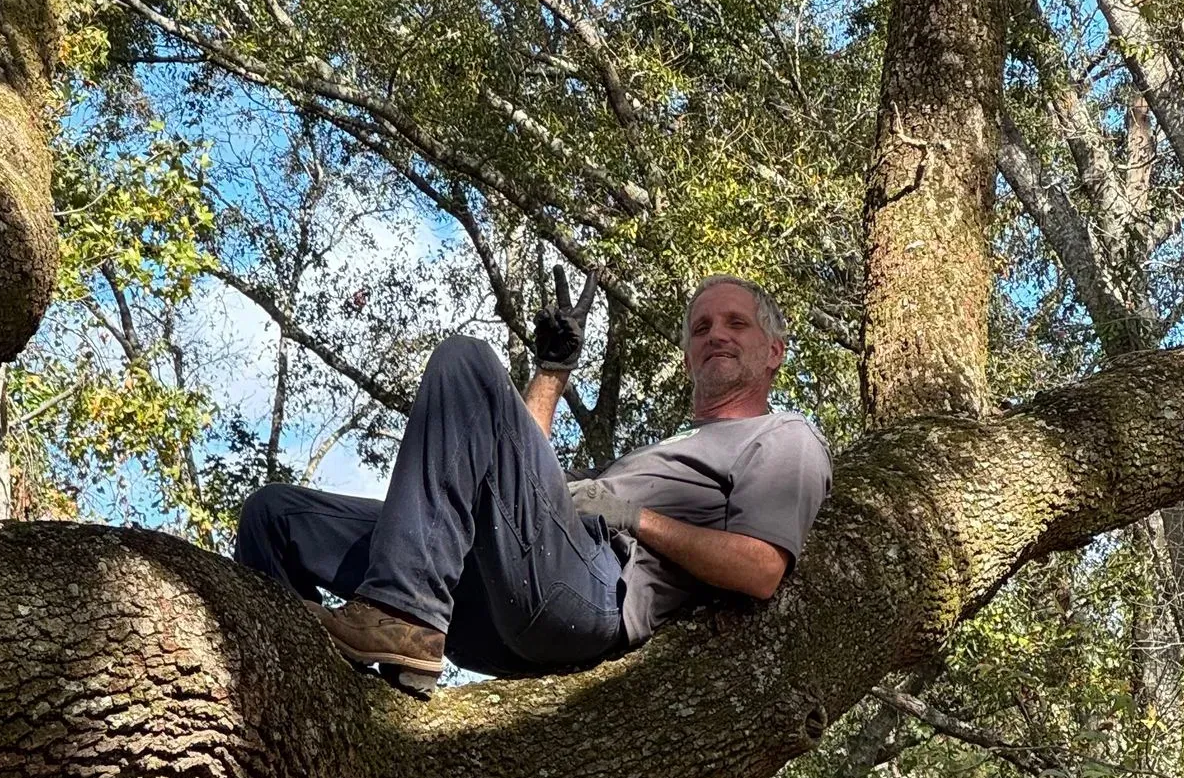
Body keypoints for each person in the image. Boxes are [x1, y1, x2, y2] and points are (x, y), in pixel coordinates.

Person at [233, 273, 832, 698]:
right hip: (509, 585)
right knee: (275, 516)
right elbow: (517, 471)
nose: (715, 335)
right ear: (687, 358)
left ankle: (401, 613)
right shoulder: (669, 449)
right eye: (701, 328)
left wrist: (633, 517)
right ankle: (297, 693)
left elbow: (761, 569)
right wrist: (552, 370)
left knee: (465, 361)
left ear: (774, 351)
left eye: (736, 324)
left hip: (594, 594)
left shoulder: (783, 436)